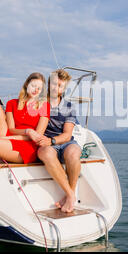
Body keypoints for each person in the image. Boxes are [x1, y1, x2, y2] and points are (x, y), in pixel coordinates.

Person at [34, 69, 82, 213]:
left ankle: (70, 194)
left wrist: (52, 141)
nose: (56, 88)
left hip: (64, 142)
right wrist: (47, 142)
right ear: (49, 84)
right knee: (46, 154)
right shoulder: (38, 103)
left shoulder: (69, 107)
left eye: (60, 85)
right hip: (47, 144)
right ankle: (71, 195)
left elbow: (67, 135)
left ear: (64, 88)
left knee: (73, 153)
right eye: (54, 84)